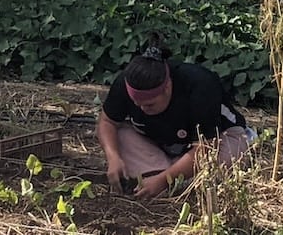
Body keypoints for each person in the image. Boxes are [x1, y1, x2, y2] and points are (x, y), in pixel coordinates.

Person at [97, 35, 251, 199]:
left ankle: (169, 178)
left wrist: (164, 180)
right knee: (120, 137)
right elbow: (107, 122)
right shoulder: (124, 82)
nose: (141, 109)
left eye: (149, 104)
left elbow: (206, 147)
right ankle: (174, 176)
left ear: (167, 87)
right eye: (136, 103)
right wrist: (113, 157)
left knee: (227, 160)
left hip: (218, 141)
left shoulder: (200, 85)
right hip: (160, 145)